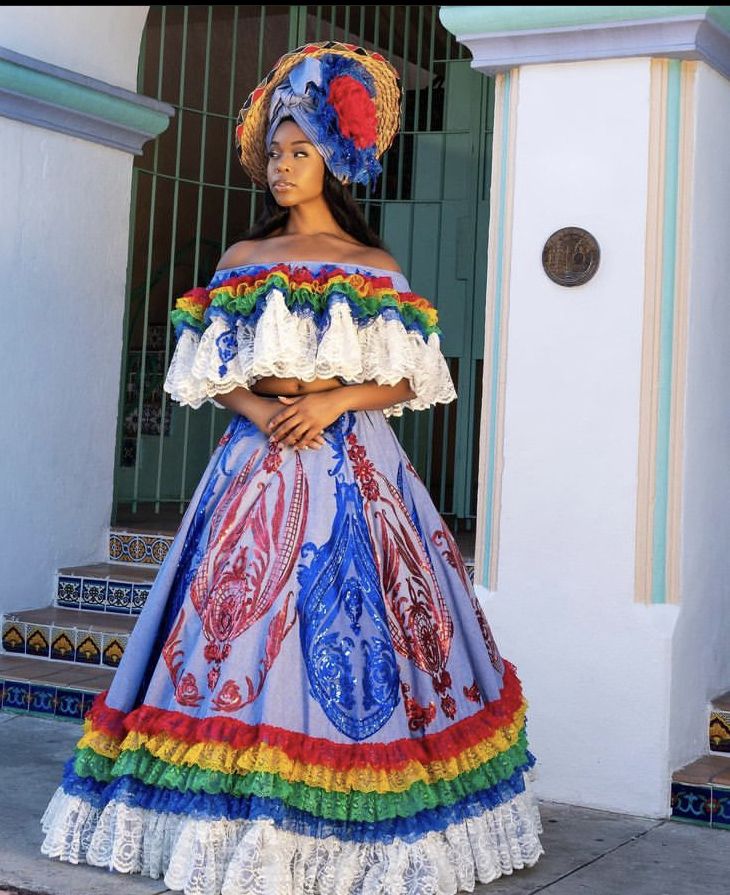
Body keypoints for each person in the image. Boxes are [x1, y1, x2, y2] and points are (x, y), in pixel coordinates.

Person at [40, 41, 543, 894]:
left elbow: (408, 374)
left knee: (361, 623)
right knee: (238, 626)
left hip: (354, 465)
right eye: (274, 152)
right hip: (256, 462)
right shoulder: (241, 260)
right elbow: (211, 366)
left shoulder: (374, 267)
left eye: (299, 151)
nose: (281, 166)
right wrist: (266, 409)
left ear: (334, 160)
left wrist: (334, 402)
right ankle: (223, 820)